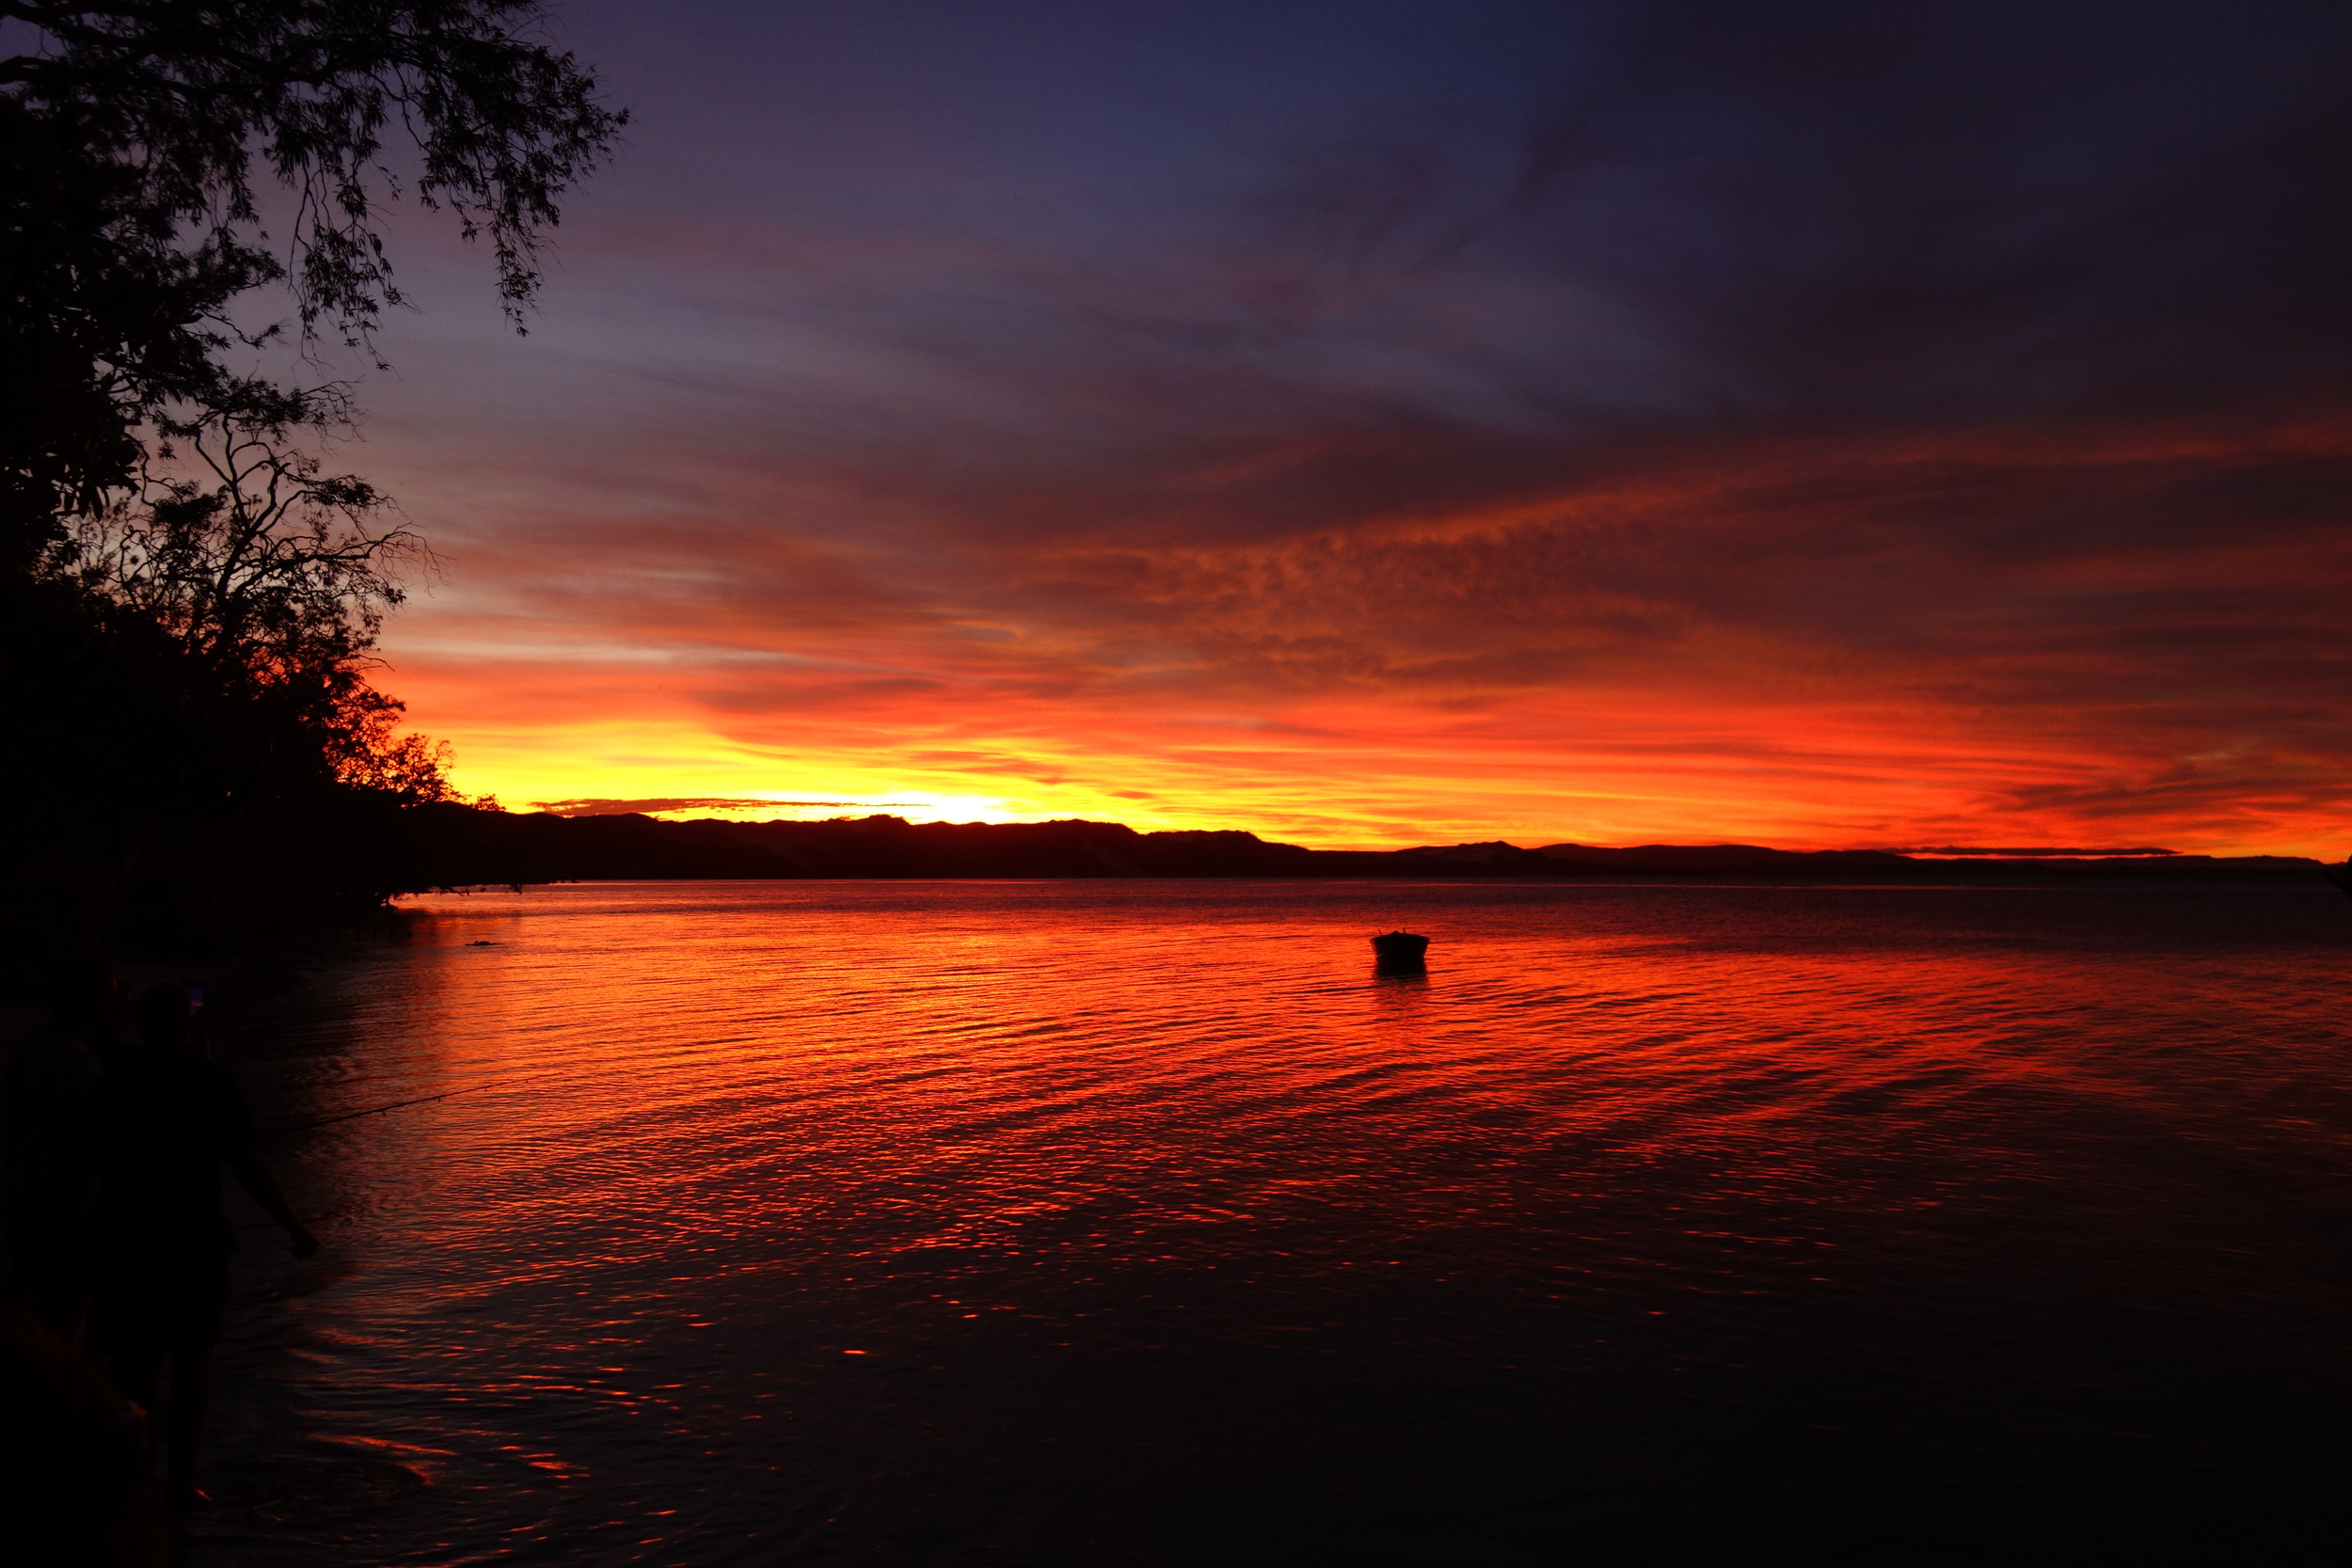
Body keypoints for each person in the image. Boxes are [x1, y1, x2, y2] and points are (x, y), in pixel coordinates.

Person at [87, 984, 318, 1517]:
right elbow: (246, 1164)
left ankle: (139, 1480)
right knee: (192, 1370)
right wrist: (294, 1227)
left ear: (140, 1024)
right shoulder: (210, 1081)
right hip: (195, 1245)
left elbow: (83, 1160)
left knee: (135, 1370)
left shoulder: (111, 1078)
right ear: (189, 1027)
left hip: (125, 1244)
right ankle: (180, 1484)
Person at [2, 956, 113, 1338]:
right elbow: (91, 1148)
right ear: (82, 1000)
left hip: (25, 1210)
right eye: (108, 997)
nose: (113, 1008)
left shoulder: (27, 1049)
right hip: (65, 1217)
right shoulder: (78, 1066)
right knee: (60, 1329)